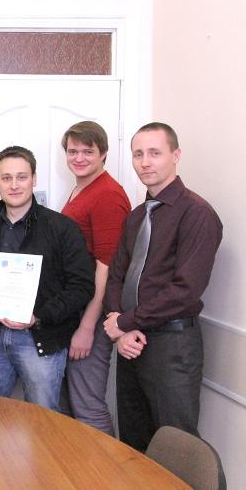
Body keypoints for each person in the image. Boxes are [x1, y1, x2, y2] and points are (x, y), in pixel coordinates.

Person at [103, 122, 222, 451]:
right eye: (138, 154)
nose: (145, 162)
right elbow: (117, 276)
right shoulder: (136, 217)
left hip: (172, 346)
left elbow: (186, 290)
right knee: (135, 443)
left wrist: (125, 322)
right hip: (131, 343)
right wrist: (120, 325)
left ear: (176, 155)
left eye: (155, 153)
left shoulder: (197, 214)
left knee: (177, 446)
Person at [0, 145, 95, 411]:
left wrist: (38, 315)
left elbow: (82, 286)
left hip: (40, 340)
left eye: (22, 177)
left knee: (43, 419)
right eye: (6, 178)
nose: (14, 185)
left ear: (34, 179)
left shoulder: (62, 228)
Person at [59, 121, 131, 435]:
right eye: (72, 151)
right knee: (67, 405)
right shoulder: (81, 189)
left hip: (94, 314)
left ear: (103, 153)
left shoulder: (108, 195)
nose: (79, 158)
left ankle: (107, 465)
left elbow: (108, 267)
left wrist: (87, 327)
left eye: (87, 151)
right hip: (75, 308)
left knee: (87, 404)